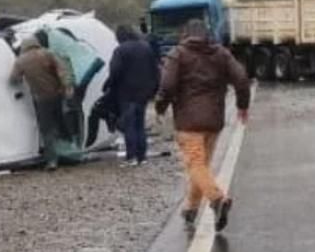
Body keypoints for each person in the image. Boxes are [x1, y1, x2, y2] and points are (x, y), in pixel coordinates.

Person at [156, 19, 251, 231]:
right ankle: (190, 209)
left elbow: (167, 85)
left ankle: (217, 200)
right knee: (201, 167)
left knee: (195, 164)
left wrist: (160, 107)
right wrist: (242, 106)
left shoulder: (178, 54)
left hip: (188, 122)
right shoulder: (221, 53)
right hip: (214, 120)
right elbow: (242, 79)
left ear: (185, 34)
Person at [10, 36, 73, 171]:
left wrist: (22, 80)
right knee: (61, 120)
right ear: (36, 44)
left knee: (47, 129)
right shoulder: (47, 53)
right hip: (57, 94)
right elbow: (62, 71)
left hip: (41, 99)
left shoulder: (20, 61)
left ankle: (52, 161)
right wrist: (67, 87)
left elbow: (13, 79)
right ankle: (71, 149)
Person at [104, 24, 160, 166]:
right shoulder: (146, 47)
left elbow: (115, 71)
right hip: (143, 93)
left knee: (129, 125)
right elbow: (155, 70)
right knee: (140, 125)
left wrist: (108, 85)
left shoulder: (120, 50)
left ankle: (131, 157)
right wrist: (153, 89)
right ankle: (142, 156)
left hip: (126, 93)